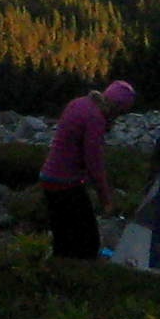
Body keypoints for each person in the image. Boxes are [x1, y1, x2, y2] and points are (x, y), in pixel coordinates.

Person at [38, 79, 136, 260]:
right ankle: (80, 279)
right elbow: (94, 163)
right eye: (121, 112)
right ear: (117, 107)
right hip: (65, 183)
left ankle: (57, 276)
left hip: (49, 178)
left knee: (63, 239)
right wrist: (105, 199)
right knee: (88, 243)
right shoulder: (95, 118)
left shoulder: (80, 103)